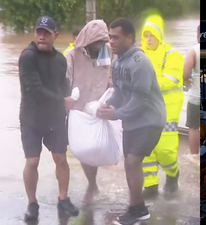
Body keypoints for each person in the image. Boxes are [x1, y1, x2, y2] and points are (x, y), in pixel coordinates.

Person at [96, 18, 165, 224]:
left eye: (115, 37)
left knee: (133, 161)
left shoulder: (140, 62)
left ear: (129, 38)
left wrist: (115, 114)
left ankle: (135, 209)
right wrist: (106, 104)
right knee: (128, 163)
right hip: (132, 121)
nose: (111, 42)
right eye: (109, 37)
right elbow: (119, 92)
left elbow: (140, 100)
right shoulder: (117, 62)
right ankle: (139, 207)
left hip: (150, 119)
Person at [18, 16, 79, 221]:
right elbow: (34, 89)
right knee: (32, 161)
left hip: (54, 117)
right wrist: (63, 100)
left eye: (46, 33)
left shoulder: (60, 59)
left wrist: (71, 100)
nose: (42, 36)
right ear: (35, 34)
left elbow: (64, 85)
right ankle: (32, 204)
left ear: (56, 35)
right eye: (38, 32)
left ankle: (63, 200)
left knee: (60, 158)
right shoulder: (28, 56)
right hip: (31, 118)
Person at [64, 19, 113, 204]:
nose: (100, 46)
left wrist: (111, 93)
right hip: (78, 109)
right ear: (88, 39)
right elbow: (65, 80)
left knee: (95, 146)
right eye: (97, 42)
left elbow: (110, 74)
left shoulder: (107, 52)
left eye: (103, 41)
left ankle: (92, 185)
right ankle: (92, 185)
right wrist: (66, 100)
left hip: (99, 107)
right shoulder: (72, 55)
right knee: (83, 149)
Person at [140, 14, 184, 198]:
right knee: (146, 150)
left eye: (152, 35)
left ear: (159, 34)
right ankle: (150, 186)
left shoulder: (172, 55)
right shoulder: (140, 55)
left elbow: (170, 80)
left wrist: (144, 82)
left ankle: (173, 175)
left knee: (166, 150)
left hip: (168, 110)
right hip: (145, 110)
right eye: (146, 35)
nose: (149, 39)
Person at [183, 25, 200, 162]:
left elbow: (185, 73)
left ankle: (194, 156)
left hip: (195, 97)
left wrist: (187, 83)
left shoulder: (194, 50)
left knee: (193, 127)